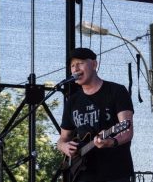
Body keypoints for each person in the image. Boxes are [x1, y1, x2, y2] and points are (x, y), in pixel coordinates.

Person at [57, 47, 134, 182]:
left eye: (80, 63)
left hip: (115, 172)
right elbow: (63, 138)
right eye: (72, 65)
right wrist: (63, 146)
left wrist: (111, 141)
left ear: (94, 64)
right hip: (82, 174)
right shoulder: (72, 101)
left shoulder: (116, 91)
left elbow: (127, 130)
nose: (75, 69)